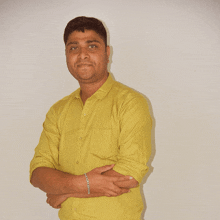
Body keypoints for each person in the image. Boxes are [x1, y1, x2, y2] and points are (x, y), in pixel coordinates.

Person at [30, 16, 152, 220]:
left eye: (92, 46)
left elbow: (130, 174)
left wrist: (66, 191)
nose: (83, 55)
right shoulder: (58, 111)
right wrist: (84, 183)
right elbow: (38, 173)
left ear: (107, 53)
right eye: (74, 48)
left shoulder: (131, 103)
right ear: (66, 55)